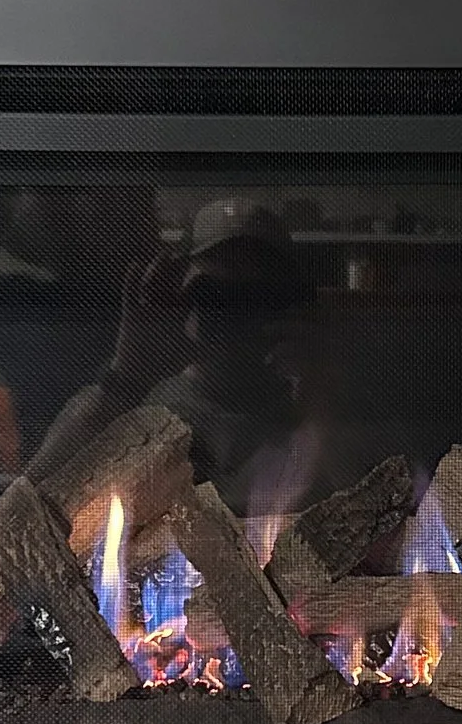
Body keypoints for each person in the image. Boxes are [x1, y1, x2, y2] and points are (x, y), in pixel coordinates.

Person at [24, 197, 319, 505]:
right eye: (213, 295)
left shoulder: (313, 405)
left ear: (290, 306)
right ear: (179, 293)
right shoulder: (137, 402)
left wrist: (323, 401)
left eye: (257, 298)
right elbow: (27, 509)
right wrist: (130, 372)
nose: (234, 315)